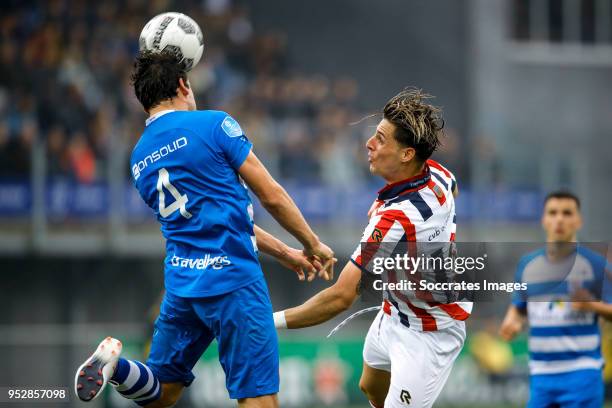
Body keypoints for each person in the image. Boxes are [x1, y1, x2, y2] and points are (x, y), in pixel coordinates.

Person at [74, 50, 335, 408]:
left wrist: (285, 252)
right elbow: (271, 196)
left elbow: (212, 219)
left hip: (182, 288)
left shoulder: (138, 157)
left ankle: (116, 368)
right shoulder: (214, 125)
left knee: (161, 393)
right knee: (259, 400)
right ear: (183, 85)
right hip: (234, 284)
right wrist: (312, 242)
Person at [272, 88, 472, 408]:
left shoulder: (395, 219)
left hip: (429, 334)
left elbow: (340, 297)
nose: (369, 143)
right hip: (394, 311)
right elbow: (454, 191)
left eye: (380, 138)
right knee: (370, 386)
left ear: (407, 154)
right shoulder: (438, 175)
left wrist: (270, 323)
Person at [499, 191, 612, 408]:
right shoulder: (527, 265)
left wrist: (591, 305)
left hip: (582, 373)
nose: (559, 219)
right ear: (544, 219)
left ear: (578, 220)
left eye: (567, 213)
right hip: (541, 375)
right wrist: (511, 321)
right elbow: (519, 306)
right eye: (553, 212)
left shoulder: (596, 265)